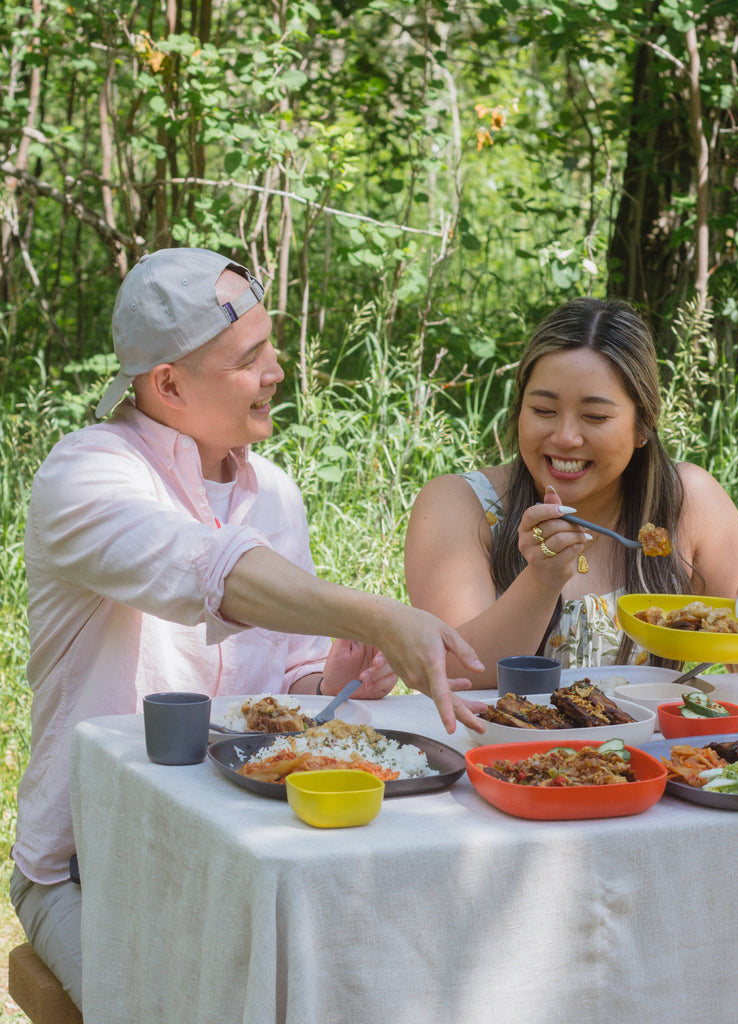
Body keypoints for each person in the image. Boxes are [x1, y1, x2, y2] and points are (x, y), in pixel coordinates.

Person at [11, 247, 487, 1011]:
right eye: (249, 358)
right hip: (90, 862)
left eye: (271, 346)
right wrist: (374, 613)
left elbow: (286, 684)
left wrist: (337, 678)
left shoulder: (275, 493)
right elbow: (209, 570)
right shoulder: (88, 474)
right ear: (167, 383)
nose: (277, 371)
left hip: (243, 850)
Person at [404, 297, 738, 688]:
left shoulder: (687, 502)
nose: (564, 437)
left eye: (595, 416)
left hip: (652, 751)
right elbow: (453, 672)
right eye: (543, 411)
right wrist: (542, 579)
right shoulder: (460, 505)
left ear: (643, 427)